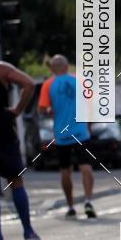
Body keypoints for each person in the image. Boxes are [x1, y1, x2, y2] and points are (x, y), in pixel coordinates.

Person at [0, 36, 40, 240]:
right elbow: (28, 84)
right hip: (3, 130)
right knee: (16, 181)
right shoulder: (0, 69)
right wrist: (17, 110)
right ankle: (28, 231)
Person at [38, 55, 96, 219]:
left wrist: (51, 110)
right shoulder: (79, 81)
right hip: (80, 132)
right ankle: (88, 201)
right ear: (66, 66)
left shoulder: (48, 85)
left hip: (61, 135)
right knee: (86, 167)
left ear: (52, 69)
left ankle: (70, 206)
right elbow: (91, 104)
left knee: (65, 170)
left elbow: (42, 109)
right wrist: (89, 125)